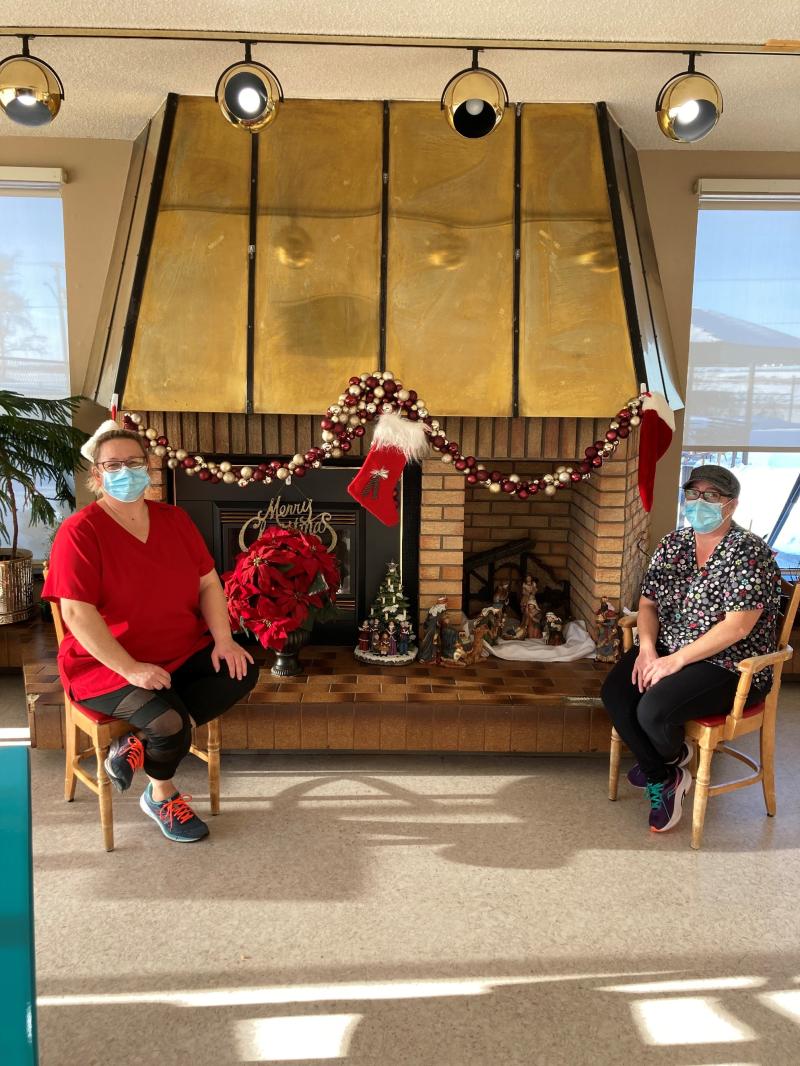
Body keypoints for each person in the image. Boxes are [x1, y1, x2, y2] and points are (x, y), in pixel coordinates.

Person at [42, 422, 259, 843]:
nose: (125, 471)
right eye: (113, 464)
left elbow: (209, 583)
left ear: (148, 467)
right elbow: (77, 613)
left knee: (241, 668)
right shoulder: (81, 532)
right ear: (97, 474)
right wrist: (131, 669)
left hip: (177, 649)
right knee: (168, 723)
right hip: (104, 664)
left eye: (134, 462)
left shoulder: (174, 520)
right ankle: (161, 794)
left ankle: (137, 744)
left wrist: (223, 639)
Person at [602, 464, 781, 834]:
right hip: (669, 646)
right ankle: (665, 773)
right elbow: (648, 604)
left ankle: (663, 760)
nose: (700, 503)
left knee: (652, 710)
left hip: (731, 663)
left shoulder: (749, 554)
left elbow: (738, 626)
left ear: (730, 505)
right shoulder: (673, 544)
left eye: (711, 496)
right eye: (694, 494)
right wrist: (648, 648)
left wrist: (675, 661)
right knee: (616, 693)